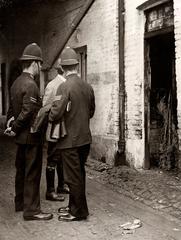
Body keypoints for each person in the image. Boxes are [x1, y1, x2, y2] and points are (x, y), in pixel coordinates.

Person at [4, 43, 53, 221]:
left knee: (21, 169)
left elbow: (12, 109)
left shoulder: (16, 82)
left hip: (20, 139)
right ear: (34, 63)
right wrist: (15, 127)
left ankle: (20, 203)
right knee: (32, 172)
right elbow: (27, 112)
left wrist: (10, 126)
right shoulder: (31, 85)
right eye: (40, 64)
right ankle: (32, 210)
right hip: (31, 137)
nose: (41, 68)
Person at [49, 46, 95, 221]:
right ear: (76, 66)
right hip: (85, 139)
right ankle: (73, 206)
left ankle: (78, 212)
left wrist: (54, 112)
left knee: (72, 177)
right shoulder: (87, 86)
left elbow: (55, 113)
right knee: (79, 174)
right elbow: (91, 111)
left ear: (63, 68)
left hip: (69, 140)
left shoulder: (64, 87)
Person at [43, 62, 69, 201]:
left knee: (62, 157)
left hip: (65, 128)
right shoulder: (53, 85)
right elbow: (45, 107)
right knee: (53, 157)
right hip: (55, 127)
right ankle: (50, 190)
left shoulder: (66, 84)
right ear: (64, 69)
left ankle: (61, 185)